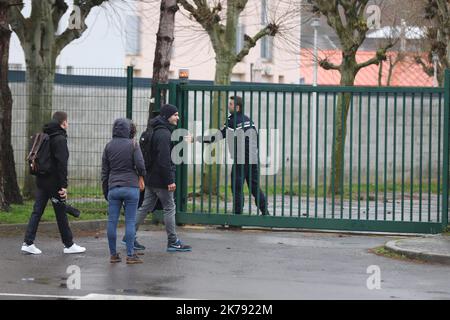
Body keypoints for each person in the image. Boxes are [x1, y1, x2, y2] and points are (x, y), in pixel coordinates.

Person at [189, 96, 269, 217]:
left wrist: (196, 138)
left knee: (236, 187)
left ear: (237, 107)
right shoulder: (248, 120)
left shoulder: (232, 121)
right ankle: (265, 213)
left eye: (230, 104)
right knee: (254, 188)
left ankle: (237, 216)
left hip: (241, 159)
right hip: (253, 158)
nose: (228, 106)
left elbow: (217, 136)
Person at [21, 112, 86, 255]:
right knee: (61, 212)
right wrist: (64, 186)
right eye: (67, 122)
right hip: (54, 182)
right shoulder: (60, 139)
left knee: (37, 211)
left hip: (41, 180)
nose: (68, 124)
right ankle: (69, 245)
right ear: (63, 123)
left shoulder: (45, 136)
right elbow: (62, 164)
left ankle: (28, 242)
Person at [130, 104, 191, 252]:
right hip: (161, 179)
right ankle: (173, 242)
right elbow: (164, 159)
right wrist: (169, 180)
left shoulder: (154, 129)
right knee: (170, 208)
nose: (178, 117)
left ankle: (129, 236)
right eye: (175, 115)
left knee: (144, 208)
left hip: (151, 178)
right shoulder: (164, 134)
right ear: (167, 116)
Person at [101, 118, 146, 264]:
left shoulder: (108, 146)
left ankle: (113, 255)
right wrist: (141, 176)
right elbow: (140, 164)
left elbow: (104, 171)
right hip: (131, 187)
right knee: (130, 221)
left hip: (114, 188)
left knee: (112, 221)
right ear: (129, 130)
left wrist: (106, 190)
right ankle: (131, 255)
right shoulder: (133, 144)